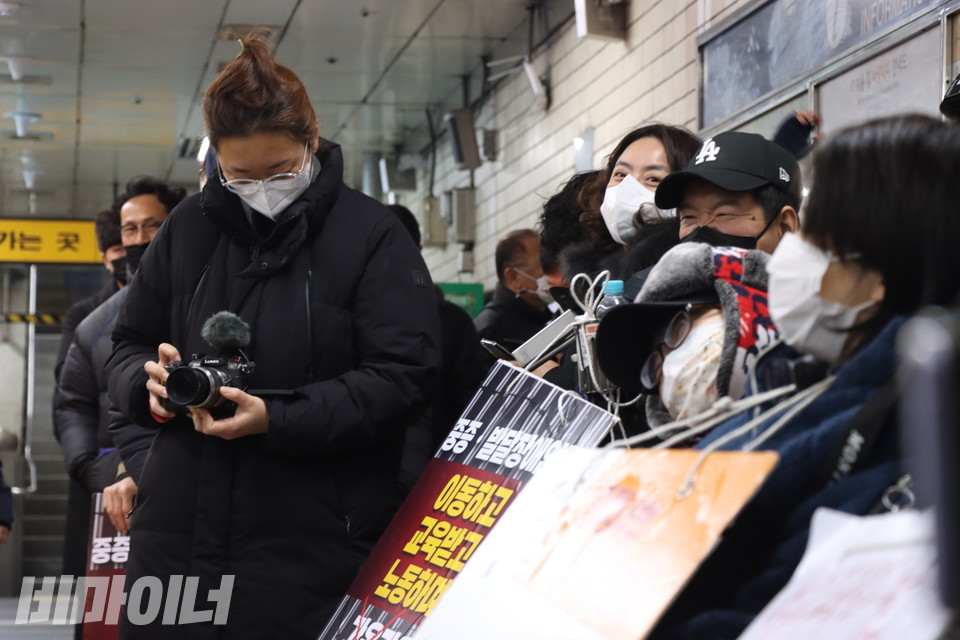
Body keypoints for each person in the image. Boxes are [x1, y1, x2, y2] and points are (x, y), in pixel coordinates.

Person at [105, 33, 440, 638]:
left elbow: (405, 376)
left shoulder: (371, 235)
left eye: (279, 169)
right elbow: (126, 344)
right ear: (214, 162)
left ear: (311, 141)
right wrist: (146, 385)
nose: (260, 187)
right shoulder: (188, 228)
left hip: (307, 541)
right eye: (240, 174)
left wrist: (276, 417)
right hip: (176, 536)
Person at [649, 114, 960, 639]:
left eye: (816, 234)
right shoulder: (810, 379)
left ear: (878, 270)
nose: (795, 254)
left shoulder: (916, 439)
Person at [56, 177, 185, 588]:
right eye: (130, 229)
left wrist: (147, 469)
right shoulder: (94, 323)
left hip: (184, 488)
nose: (140, 238)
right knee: (106, 616)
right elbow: (70, 403)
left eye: (152, 226)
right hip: (108, 495)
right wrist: (95, 467)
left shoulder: (200, 301)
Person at [385, 204, 489, 487]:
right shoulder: (450, 320)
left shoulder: (450, 322)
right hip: (437, 482)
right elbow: (473, 410)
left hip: (388, 485)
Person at [569, 123, 700, 281]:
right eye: (621, 174)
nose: (627, 187)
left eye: (653, 179)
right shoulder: (591, 281)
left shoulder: (693, 274)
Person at [654, 130, 801, 254]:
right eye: (689, 217)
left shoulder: (819, 287)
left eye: (724, 214)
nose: (702, 230)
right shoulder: (648, 286)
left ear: (784, 226)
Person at [53, 209, 126, 434]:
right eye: (118, 249)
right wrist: (85, 463)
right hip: (106, 443)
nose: (128, 254)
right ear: (105, 259)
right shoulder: (83, 314)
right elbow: (68, 385)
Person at [474, 229, 554, 352]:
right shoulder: (491, 329)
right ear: (513, 277)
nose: (555, 271)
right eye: (545, 265)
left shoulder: (548, 319)